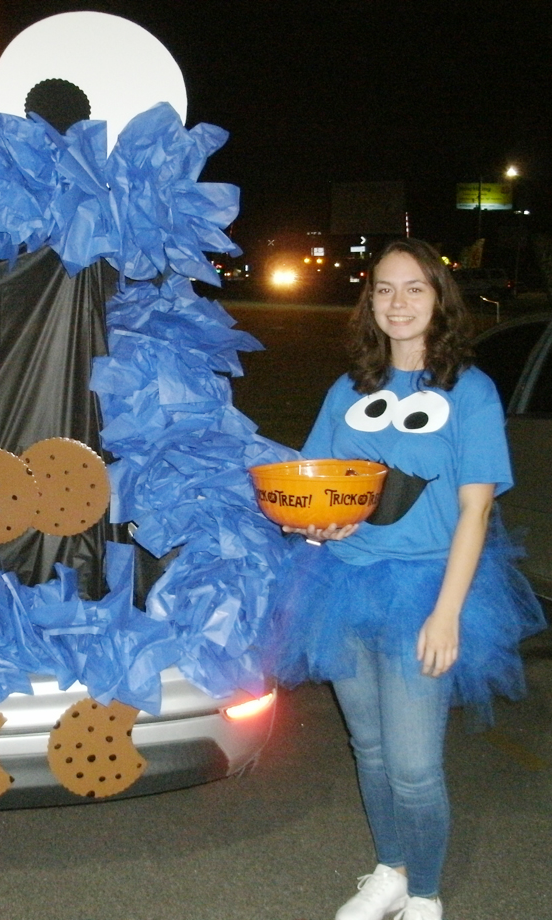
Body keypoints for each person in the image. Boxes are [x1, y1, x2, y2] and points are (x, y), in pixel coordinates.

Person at [265, 239, 545, 920]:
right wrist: (312, 525)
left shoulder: (469, 391)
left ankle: (424, 894)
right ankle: (389, 870)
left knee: (416, 766)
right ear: (371, 302)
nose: (397, 302)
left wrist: (447, 612)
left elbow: (478, 508)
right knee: (370, 748)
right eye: (385, 289)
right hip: (343, 583)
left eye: (414, 288)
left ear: (439, 299)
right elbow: (313, 485)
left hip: (428, 588)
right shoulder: (348, 390)